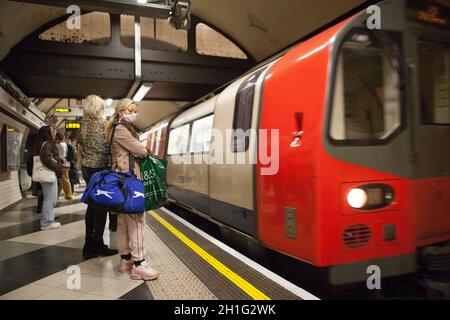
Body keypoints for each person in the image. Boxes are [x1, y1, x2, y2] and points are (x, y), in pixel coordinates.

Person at [106, 98, 159, 281]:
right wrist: (144, 149)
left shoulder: (115, 128)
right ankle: (139, 264)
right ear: (121, 112)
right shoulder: (121, 129)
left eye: (134, 110)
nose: (133, 114)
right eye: (129, 110)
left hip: (121, 182)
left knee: (123, 223)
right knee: (137, 222)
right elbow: (142, 151)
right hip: (130, 181)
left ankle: (126, 260)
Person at [79, 95, 118, 258]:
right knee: (101, 207)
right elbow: (106, 147)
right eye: (102, 107)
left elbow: (82, 144)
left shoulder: (83, 125)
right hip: (100, 168)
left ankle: (89, 244)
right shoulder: (102, 125)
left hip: (87, 168)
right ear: (98, 108)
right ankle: (98, 244)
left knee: (92, 205)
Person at [33, 125, 63, 230]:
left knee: (50, 199)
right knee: (50, 200)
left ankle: (48, 219)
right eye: (52, 131)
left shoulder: (43, 144)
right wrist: (58, 167)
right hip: (48, 174)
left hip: (46, 174)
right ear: (47, 133)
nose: (55, 132)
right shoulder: (47, 144)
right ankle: (46, 223)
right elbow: (46, 159)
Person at [56, 132, 73, 201]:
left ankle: (69, 195)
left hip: (63, 164)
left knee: (65, 180)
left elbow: (61, 156)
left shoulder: (59, 145)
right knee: (61, 180)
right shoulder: (65, 144)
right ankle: (57, 195)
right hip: (66, 164)